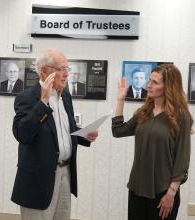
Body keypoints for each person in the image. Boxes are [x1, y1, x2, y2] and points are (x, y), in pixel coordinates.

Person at [11, 48, 98, 220]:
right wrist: (43, 102)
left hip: (65, 172)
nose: (66, 74)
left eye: (67, 69)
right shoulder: (27, 97)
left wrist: (84, 135)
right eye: (61, 69)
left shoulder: (65, 95)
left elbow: (65, 130)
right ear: (44, 70)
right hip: (38, 179)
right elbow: (23, 134)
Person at [112, 64, 193, 220]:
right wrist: (120, 99)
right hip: (137, 189)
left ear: (168, 87)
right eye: (149, 80)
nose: (148, 85)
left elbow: (182, 159)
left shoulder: (181, 117)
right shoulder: (144, 112)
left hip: (164, 192)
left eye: (155, 82)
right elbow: (118, 131)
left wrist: (171, 193)